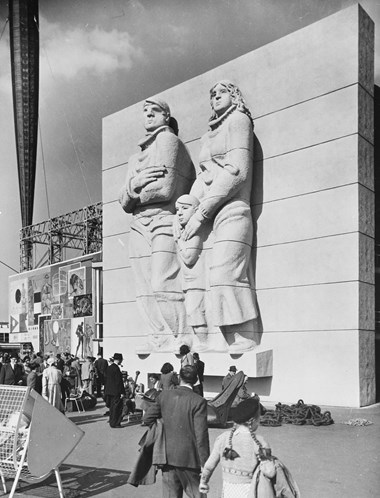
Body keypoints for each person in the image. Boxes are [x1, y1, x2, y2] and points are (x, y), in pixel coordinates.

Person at [183, 80, 258, 352]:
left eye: (221, 92)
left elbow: (237, 171)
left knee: (226, 272)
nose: (215, 96)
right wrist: (189, 207)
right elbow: (204, 177)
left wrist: (200, 212)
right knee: (210, 280)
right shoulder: (208, 136)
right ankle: (218, 337)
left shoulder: (239, 121)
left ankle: (244, 334)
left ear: (234, 95)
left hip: (233, 209)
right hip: (210, 214)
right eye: (212, 94)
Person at [119, 97, 195, 351]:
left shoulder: (168, 141)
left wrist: (134, 194)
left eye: (155, 111)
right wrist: (137, 183)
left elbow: (164, 190)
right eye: (145, 111)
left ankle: (181, 335)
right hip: (138, 225)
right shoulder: (135, 159)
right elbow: (123, 200)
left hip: (163, 218)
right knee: (143, 288)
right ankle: (158, 336)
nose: (149, 115)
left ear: (166, 116)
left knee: (163, 281)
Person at [144, 365, 210, 498]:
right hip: (189, 459)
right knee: (198, 495)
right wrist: (205, 463)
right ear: (196, 379)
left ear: (179, 377)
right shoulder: (199, 401)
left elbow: (147, 419)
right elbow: (201, 435)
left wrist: (161, 427)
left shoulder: (164, 395)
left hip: (167, 456)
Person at [199, 397, 269, 498]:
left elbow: (209, 465)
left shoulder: (223, 438)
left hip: (228, 490)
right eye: (259, 419)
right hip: (250, 491)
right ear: (253, 421)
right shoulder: (260, 442)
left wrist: (203, 482)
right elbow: (269, 470)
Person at [174, 194, 209, 350]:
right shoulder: (185, 232)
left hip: (197, 281)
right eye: (177, 209)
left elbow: (189, 257)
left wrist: (178, 240)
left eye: (184, 208)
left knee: (194, 311)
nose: (179, 213)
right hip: (189, 282)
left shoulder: (194, 233)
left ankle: (204, 342)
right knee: (191, 312)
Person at [104, 353, 126, 428]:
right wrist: (122, 392)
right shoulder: (116, 369)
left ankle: (112, 421)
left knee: (112, 408)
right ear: (119, 360)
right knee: (117, 408)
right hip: (116, 391)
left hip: (109, 391)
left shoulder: (109, 368)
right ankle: (115, 423)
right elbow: (118, 382)